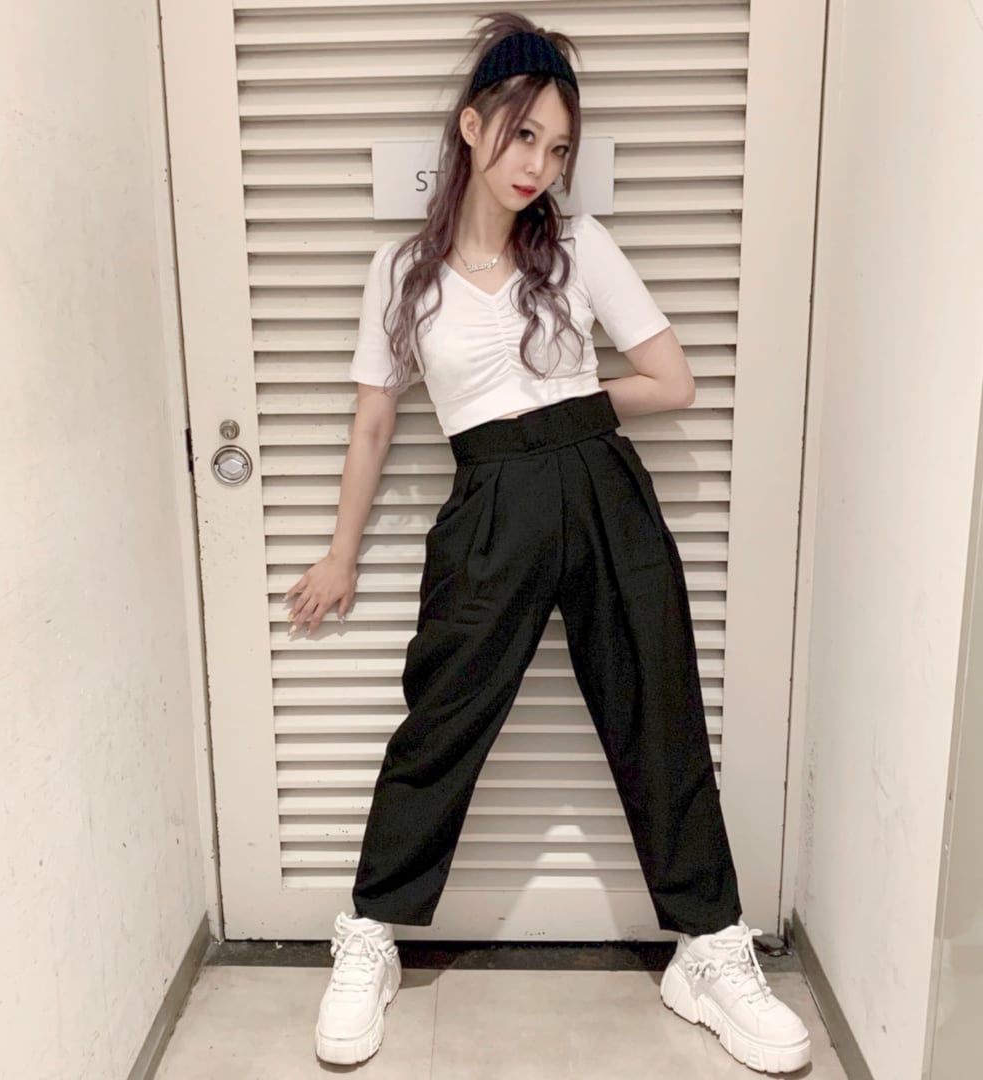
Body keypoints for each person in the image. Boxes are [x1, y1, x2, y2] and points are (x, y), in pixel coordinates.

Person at [283, 11, 811, 1076]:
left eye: (559, 146)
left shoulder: (578, 249)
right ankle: (373, 932)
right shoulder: (402, 271)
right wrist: (341, 553)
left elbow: (673, 381)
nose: (539, 164)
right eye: (523, 134)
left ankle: (708, 948)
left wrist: (567, 410)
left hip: (603, 487)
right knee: (443, 715)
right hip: (488, 502)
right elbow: (375, 420)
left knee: (658, 704)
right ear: (473, 126)